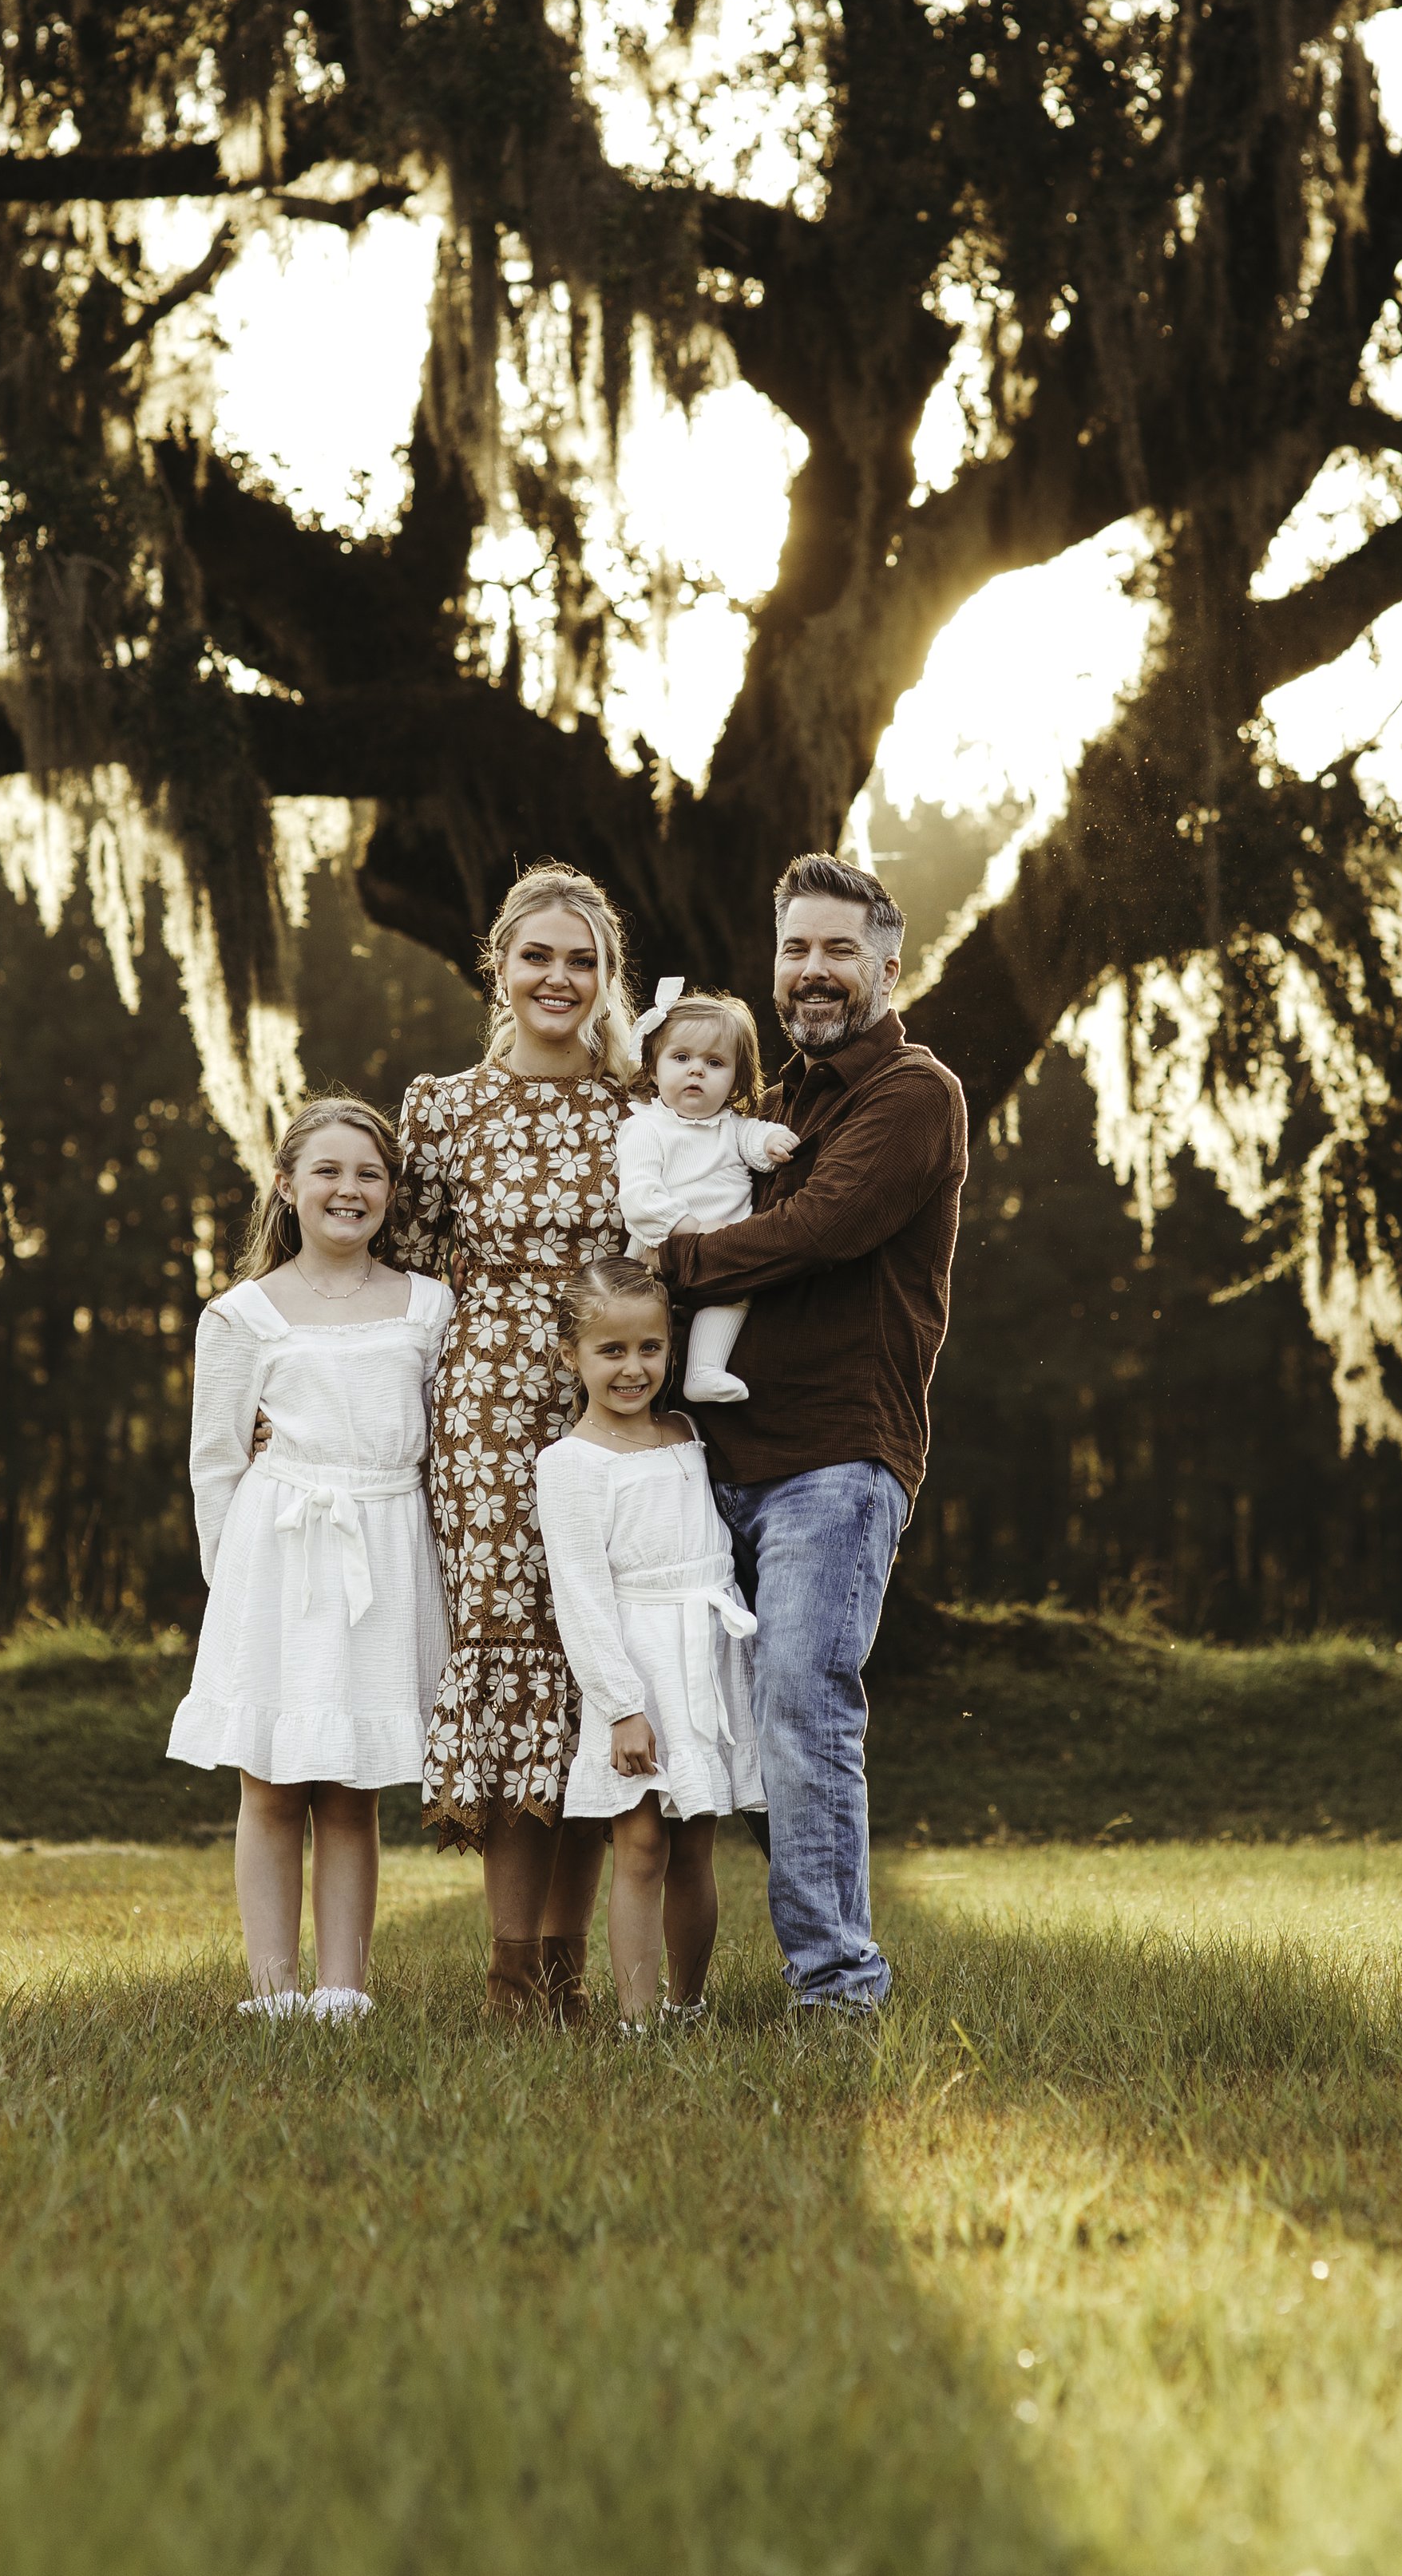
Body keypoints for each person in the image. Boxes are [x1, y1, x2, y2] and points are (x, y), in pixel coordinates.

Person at [650, 857, 968, 2016]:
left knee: (800, 1698)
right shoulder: (767, 1110)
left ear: (889, 967)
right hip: (715, 1460)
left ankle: (839, 1989)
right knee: (715, 1719)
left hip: (836, 1458)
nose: (814, 971)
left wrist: (669, 1257)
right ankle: (663, 1989)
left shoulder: (914, 1094)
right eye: (795, 949)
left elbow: (821, 1230)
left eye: (839, 951)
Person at [398, 863, 636, 2020]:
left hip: (613, 1410)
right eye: (538, 955)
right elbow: (395, 1270)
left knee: (600, 1667)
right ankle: (507, 1975)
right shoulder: (439, 1108)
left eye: (581, 959)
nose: (558, 976)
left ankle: (568, 1968)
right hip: (485, 1412)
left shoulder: (641, 1112)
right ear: (500, 965)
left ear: (606, 979)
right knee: (511, 1663)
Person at [168, 1097, 453, 2023]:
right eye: (327, 1171)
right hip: (278, 1557)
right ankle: (274, 1989)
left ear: (391, 1193)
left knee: (352, 1785)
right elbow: (215, 1460)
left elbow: (442, 1444)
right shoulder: (243, 1314)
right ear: (286, 1186)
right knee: (274, 1779)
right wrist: (231, 1583)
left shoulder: (425, 1305)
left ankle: (342, 1988)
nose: (349, 1190)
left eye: (369, 1173)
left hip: (384, 1546)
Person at [537, 1256, 764, 2031]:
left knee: (696, 1841)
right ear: (571, 1356)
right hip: (634, 1663)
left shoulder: (690, 1432)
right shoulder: (569, 1465)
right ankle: (634, 2021)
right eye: (611, 1351)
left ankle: (687, 2005)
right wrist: (622, 1708)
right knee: (640, 1846)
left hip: (701, 1649)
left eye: (650, 1349)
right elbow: (582, 1597)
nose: (634, 1369)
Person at [615, 983, 798, 1404]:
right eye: (681, 1058)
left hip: (723, 1257)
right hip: (656, 1254)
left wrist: (773, 1142)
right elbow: (641, 1200)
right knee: (641, 1324)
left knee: (735, 1296)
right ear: (654, 1068)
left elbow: (758, 1141)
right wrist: (695, 1229)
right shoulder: (646, 1127)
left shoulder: (733, 1127)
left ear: (737, 1077)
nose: (696, 1070)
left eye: (715, 1063)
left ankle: (704, 1370)